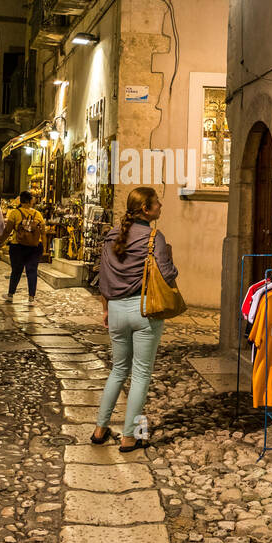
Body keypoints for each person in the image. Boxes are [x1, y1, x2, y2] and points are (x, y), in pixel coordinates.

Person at [91, 185, 177, 453]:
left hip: (115, 310)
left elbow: (103, 278)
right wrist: (172, 261)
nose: (161, 206)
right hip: (144, 310)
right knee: (140, 373)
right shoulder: (154, 237)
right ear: (146, 209)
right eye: (157, 203)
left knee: (118, 370)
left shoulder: (110, 237)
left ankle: (100, 428)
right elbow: (168, 274)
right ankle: (129, 436)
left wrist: (106, 309)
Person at [0, 191, 46, 302]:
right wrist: (44, 247)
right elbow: (43, 232)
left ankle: (10, 294)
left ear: (21, 200)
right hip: (35, 246)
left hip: (17, 246)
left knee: (16, 270)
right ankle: (31, 296)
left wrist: (0, 242)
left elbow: (8, 230)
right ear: (30, 201)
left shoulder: (15, 213)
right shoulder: (38, 214)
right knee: (32, 270)